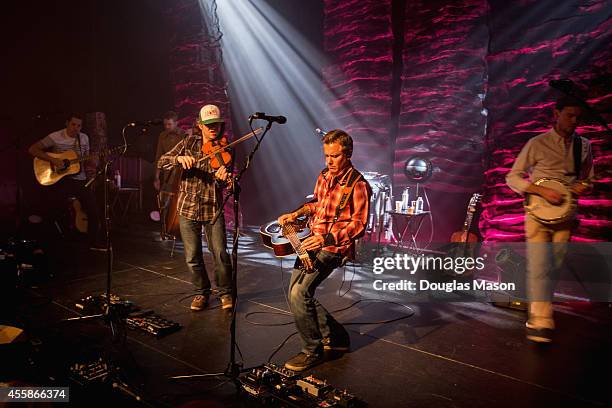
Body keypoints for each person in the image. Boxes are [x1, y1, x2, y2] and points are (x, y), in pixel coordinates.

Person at [278, 129, 371, 371]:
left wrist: (325, 238)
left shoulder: (358, 184)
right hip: (311, 240)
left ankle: (312, 350)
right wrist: (297, 213)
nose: (329, 161)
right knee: (294, 292)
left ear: (348, 154)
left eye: (335, 156)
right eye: (326, 155)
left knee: (300, 293)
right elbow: (318, 204)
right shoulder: (324, 175)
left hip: (334, 247)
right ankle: (337, 337)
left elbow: (359, 225)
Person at [506, 95, 594, 343]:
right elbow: (513, 177)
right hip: (537, 213)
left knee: (553, 265)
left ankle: (540, 306)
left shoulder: (584, 146)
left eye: (578, 117)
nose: (574, 121)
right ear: (556, 114)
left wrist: (583, 187)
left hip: (565, 213)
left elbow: (588, 178)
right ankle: (540, 319)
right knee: (539, 264)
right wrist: (541, 190)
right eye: (570, 115)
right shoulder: (537, 143)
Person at [157, 105, 233, 311]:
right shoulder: (188, 142)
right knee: (192, 256)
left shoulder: (226, 149)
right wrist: (178, 159)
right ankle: (201, 293)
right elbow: (162, 162)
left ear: (220, 125)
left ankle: (226, 292)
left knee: (221, 254)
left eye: (215, 124)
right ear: (200, 126)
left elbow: (228, 184)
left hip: (213, 208)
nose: (212, 129)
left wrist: (224, 180)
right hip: (188, 207)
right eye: (208, 125)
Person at [28, 113, 102, 249]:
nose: (76, 128)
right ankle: (45, 243)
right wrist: (54, 160)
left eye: (79, 126)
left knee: (93, 210)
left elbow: (85, 158)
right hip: (62, 180)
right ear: (67, 123)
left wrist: (93, 159)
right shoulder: (55, 136)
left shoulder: (84, 138)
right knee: (52, 210)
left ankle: (93, 243)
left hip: (80, 179)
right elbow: (33, 149)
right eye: (73, 124)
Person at [153, 111, 185, 239]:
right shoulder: (162, 136)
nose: (167, 127)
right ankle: (164, 230)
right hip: (167, 175)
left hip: (181, 175)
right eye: (165, 124)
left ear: (176, 123)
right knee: (163, 204)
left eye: (169, 124)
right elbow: (158, 157)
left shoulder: (184, 134)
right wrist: (156, 177)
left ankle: (179, 231)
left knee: (179, 204)